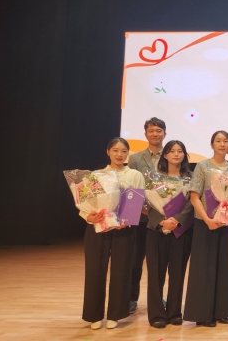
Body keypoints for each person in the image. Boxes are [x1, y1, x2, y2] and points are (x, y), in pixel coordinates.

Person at [82, 137, 144, 329]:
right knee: (95, 271)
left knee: (121, 271)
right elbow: (85, 201)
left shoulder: (135, 175)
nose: (119, 154)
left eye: (124, 151)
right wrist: (88, 215)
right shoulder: (96, 175)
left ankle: (115, 314)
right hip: (98, 228)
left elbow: (138, 201)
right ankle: (94, 315)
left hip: (124, 230)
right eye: (115, 150)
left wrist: (126, 219)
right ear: (108, 152)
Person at [183, 131, 228, 327]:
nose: (222, 144)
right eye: (218, 141)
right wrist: (207, 220)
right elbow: (194, 197)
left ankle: (222, 311)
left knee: (225, 267)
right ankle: (202, 314)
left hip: (226, 222)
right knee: (204, 268)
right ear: (212, 144)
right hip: (205, 223)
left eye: (226, 141)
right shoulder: (203, 166)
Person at [146, 140, 193, 328]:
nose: (176, 154)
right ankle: (156, 314)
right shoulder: (154, 178)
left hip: (181, 231)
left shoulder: (191, 178)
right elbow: (149, 204)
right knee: (155, 274)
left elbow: (192, 202)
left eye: (180, 151)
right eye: (172, 151)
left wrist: (177, 220)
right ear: (165, 154)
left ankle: (174, 312)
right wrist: (162, 221)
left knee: (178, 273)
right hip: (156, 232)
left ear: (184, 155)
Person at [127, 117, 166, 313]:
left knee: (158, 262)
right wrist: (141, 207)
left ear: (164, 134)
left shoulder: (171, 155)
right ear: (145, 134)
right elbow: (131, 186)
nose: (155, 134)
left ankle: (157, 298)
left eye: (159, 130)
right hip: (141, 217)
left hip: (163, 218)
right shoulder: (135, 159)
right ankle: (131, 297)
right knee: (136, 259)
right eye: (151, 131)